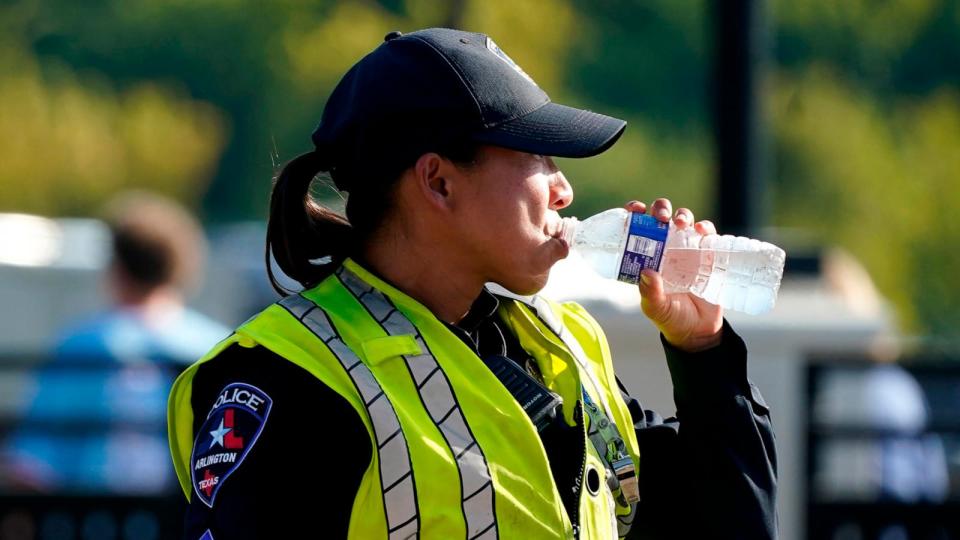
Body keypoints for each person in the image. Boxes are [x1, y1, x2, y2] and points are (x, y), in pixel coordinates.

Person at [167, 28, 777, 539]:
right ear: (438, 182)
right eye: (538, 156)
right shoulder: (291, 379)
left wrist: (704, 354)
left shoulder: (560, 347)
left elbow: (734, 526)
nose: (564, 190)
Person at [3, 191, 229, 493]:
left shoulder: (81, 345)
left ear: (117, 267)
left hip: (89, 521)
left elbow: (30, 469)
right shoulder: (216, 348)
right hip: (186, 524)